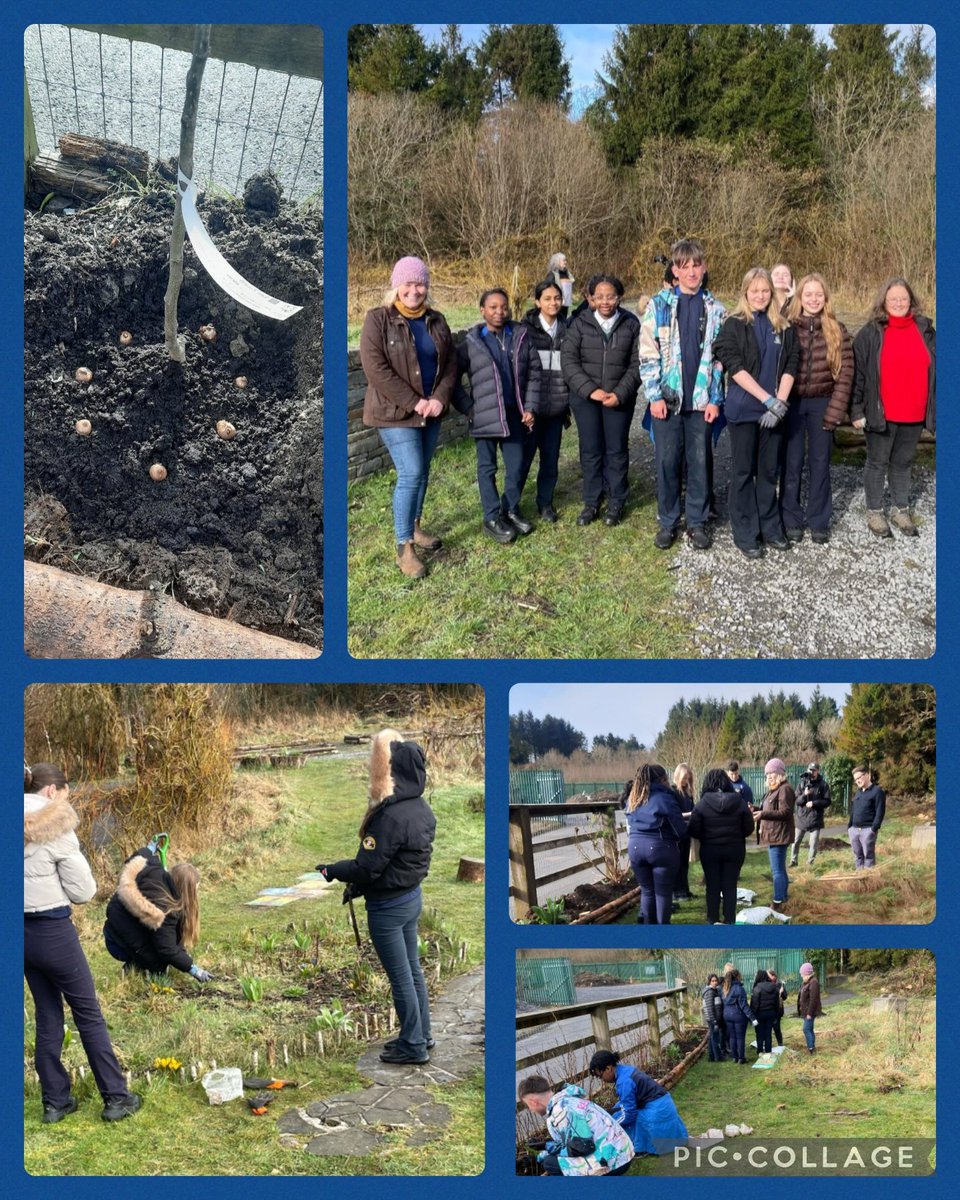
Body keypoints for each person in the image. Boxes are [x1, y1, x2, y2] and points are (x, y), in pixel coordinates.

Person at [24, 763, 142, 1123]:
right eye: (64, 794)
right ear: (50, 792)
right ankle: (116, 1097)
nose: (65, 801)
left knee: (47, 1015)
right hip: (52, 931)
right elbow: (84, 891)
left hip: (19, 934)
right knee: (88, 1013)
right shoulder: (53, 826)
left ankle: (55, 1103)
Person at [317, 729, 436, 1065]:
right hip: (411, 899)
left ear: (395, 773)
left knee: (401, 977)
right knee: (413, 971)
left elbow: (366, 868)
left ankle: (412, 1045)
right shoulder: (422, 810)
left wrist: (333, 870)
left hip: (387, 909)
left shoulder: (390, 817)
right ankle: (423, 1035)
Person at [359, 256, 458, 579]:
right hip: (394, 412)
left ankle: (415, 527)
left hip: (432, 411)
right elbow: (376, 369)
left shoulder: (437, 320)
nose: (414, 290)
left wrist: (439, 398)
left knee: (424, 471)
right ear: (396, 286)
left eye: (420, 284)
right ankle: (404, 548)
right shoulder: (378, 320)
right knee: (411, 471)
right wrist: (415, 402)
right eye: (408, 284)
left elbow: (451, 365)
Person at [640, 237, 726, 550]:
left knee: (700, 461)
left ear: (704, 268)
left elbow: (719, 362)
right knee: (667, 462)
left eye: (696, 265)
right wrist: (655, 396)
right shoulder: (658, 306)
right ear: (675, 270)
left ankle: (697, 521)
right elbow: (648, 354)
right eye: (684, 266)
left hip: (701, 403)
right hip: (667, 401)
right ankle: (668, 521)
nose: (691, 271)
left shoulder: (716, 310)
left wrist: (715, 399)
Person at [713, 267, 799, 559]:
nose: (760, 296)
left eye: (765, 291)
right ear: (745, 293)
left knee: (767, 472)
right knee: (742, 471)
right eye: (755, 291)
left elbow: (791, 365)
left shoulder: (784, 328)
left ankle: (771, 527)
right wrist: (767, 400)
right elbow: (734, 366)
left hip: (775, 413)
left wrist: (780, 403)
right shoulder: (733, 324)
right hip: (744, 411)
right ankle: (745, 530)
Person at [453, 288, 541, 543]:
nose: (499, 312)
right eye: (493, 307)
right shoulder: (471, 344)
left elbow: (535, 373)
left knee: (516, 465)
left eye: (503, 307)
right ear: (482, 310)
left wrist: (530, 407)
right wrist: (469, 407)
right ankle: (491, 517)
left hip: (514, 415)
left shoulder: (521, 336)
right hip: (485, 417)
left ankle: (511, 509)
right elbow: (452, 380)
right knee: (487, 468)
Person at [850, 277, 936, 538]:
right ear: (883, 302)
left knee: (903, 462)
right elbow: (859, 374)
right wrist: (856, 410)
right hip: (881, 413)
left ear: (911, 301)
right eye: (893, 299)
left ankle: (901, 509)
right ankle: (875, 512)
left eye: (903, 299)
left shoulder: (926, 331)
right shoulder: (870, 333)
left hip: (914, 412)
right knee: (877, 462)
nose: (899, 303)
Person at [561, 274, 641, 527]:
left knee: (616, 450)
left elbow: (638, 363)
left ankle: (617, 500)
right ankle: (592, 500)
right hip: (586, 399)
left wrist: (620, 393)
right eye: (599, 296)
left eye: (611, 296)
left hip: (619, 398)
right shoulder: (579, 323)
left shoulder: (631, 324)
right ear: (590, 298)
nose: (605, 301)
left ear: (619, 297)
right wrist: (590, 390)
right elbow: (569, 361)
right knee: (591, 450)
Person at [781, 274, 855, 543]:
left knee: (820, 462)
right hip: (793, 403)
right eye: (808, 294)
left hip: (824, 402)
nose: (813, 299)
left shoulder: (838, 330)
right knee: (792, 461)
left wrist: (836, 410)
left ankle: (819, 519)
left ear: (825, 298)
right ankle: (790, 517)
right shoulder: (788, 327)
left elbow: (846, 374)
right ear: (799, 298)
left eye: (818, 295)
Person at [103, 845, 211, 981]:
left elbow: (141, 855)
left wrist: (150, 847)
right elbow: (167, 949)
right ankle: (132, 968)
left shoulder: (155, 871)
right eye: (195, 890)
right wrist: (193, 969)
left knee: (165, 949)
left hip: (117, 920)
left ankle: (140, 963)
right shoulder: (164, 911)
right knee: (159, 965)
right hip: (117, 941)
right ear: (186, 891)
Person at [519, 281, 571, 521]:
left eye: (557, 298)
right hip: (532, 408)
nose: (553, 303)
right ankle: (513, 503)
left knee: (550, 459)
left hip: (557, 408)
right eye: (548, 298)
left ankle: (545, 502)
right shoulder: (525, 331)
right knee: (523, 458)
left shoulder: (568, 330)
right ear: (537, 302)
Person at [518, 1075, 634, 1176]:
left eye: (528, 1105)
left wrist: (547, 1151)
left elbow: (583, 1147)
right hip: (621, 1151)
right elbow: (573, 1142)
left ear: (533, 1101)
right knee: (551, 1159)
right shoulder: (568, 1099)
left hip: (616, 1161)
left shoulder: (562, 1111)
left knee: (550, 1163)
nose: (531, 1110)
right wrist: (545, 1147)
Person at [622, 763, 688, 925]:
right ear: (661, 779)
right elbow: (680, 830)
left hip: (635, 847)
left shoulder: (633, 798)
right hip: (660, 848)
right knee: (662, 894)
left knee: (647, 892)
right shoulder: (665, 797)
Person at [688, 768, 755, 925]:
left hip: (710, 850)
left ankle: (712, 919)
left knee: (712, 886)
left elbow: (693, 829)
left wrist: (706, 835)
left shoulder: (702, 803)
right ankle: (729, 920)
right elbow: (749, 828)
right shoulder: (739, 801)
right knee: (730, 886)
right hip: (734, 850)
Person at [588, 1051, 688, 1155]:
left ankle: (640, 1148)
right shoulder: (624, 1070)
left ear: (608, 1068)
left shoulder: (624, 1082)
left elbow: (630, 1114)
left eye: (600, 1076)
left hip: (658, 1110)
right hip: (664, 1103)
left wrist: (611, 1125)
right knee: (617, 1110)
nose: (602, 1080)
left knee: (624, 1119)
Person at [756, 758, 796, 909]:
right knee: (780, 869)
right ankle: (783, 897)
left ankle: (777, 902)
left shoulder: (785, 789)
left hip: (779, 835)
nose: (769, 776)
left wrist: (762, 814)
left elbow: (786, 812)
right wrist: (755, 809)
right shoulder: (774, 790)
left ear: (780, 773)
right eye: (767, 774)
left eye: (772, 773)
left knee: (777, 871)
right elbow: (768, 809)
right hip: (775, 835)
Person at [790, 761, 831, 867]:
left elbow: (827, 801)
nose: (812, 772)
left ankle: (810, 863)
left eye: (814, 770)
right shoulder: (802, 783)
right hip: (802, 818)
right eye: (810, 770)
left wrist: (814, 803)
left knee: (813, 844)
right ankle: (793, 861)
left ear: (818, 771)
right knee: (795, 841)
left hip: (815, 818)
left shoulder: (823, 785)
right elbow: (797, 801)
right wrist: (805, 794)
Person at [848, 765, 886, 869]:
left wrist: (874, 829)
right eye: (856, 779)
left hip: (868, 830)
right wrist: (850, 827)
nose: (858, 781)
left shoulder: (877, 791)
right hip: (854, 830)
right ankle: (859, 879)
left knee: (868, 857)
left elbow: (880, 812)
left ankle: (869, 878)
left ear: (867, 775)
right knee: (858, 856)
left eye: (859, 777)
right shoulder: (858, 793)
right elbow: (853, 810)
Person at [721, 968, 758, 1065]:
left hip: (727, 1014)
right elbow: (744, 1005)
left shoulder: (725, 988)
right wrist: (753, 1018)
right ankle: (741, 1058)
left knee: (732, 1037)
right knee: (740, 1037)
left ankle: (735, 1057)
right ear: (737, 976)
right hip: (738, 1015)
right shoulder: (739, 989)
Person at [671, 763, 696, 904]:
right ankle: (677, 892)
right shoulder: (673, 792)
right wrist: (691, 814)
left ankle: (685, 890)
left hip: (686, 832)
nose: (686, 780)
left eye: (688, 778)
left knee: (685, 863)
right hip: (677, 833)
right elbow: (675, 814)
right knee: (678, 864)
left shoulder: (688, 792)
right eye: (684, 777)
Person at [750, 969, 780, 1055]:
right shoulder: (773, 987)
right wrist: (776, 1014)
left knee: (759, 1033)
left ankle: (760, 1051)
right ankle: (768, 1051)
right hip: (771, 1013)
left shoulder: (757, 988)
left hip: (760, 1014)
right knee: (768, 1033)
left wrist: (753, 1016)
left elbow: (754, 1004)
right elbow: (776, 1002)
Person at [797, 962, 823, 1054]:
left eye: (802, 974)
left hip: (810, 1012)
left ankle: (811, 1049)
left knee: (806, 1029)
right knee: (810, 1029)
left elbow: (813, 1000)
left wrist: (809, 1013)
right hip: (806, 1011)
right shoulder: (806, 982)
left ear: (807, 974)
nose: (801, 976)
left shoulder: (813, 982)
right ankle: (812, 1048)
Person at [545, 252, 575, 317]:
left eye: (565, 260)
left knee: (563, 320)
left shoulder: (567, 274)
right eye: (564, 260)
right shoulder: (552, 275)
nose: (565, 262)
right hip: (556, 303)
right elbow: (547, 290)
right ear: (557, 262)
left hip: (566, 304)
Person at [701, 974, 724, 1061]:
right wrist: (714, 1022)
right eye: (713, 981)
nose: (715, 982)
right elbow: (710, 1008)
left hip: (714, 1019)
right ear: (709, 982)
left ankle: (711, 1057)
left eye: (716, 981)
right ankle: (718, 1057)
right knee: (715, 1038)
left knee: (711, 1037)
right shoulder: (710, 992)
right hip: (712, 1019)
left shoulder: (715, 991)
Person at [768, 970, 788, 1047]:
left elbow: (785, 997)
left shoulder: (779, 984)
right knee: (768, 1029)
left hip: (777, 1010)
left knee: (777, 1028)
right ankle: (768, 1045)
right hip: (769, 1009)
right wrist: (778, 992)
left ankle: (780, 1044)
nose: (767, 977)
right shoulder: (767, 984)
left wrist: (782, 992)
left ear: (774, 976)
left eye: (769, 975)